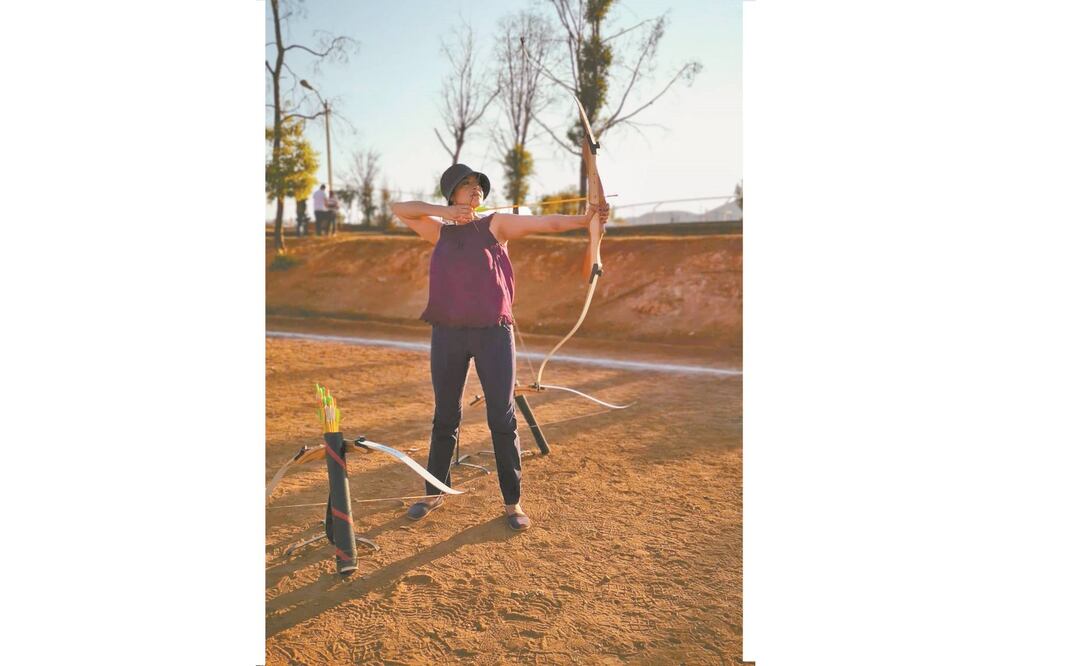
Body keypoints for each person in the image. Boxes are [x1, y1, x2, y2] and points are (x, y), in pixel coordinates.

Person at [390, 163, 609, 531]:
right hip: (447, 333)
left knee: (501, 417)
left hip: (492, 332)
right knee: (445, 415)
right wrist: (445, 213)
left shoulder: (495, 225)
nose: (475, 190)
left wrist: (587, 218)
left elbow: (547, 223)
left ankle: (512, 502)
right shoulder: (439, 232)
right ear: (452, 194)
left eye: (479, 186)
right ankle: (434, 491)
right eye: (467, 185)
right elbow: (400, 209)